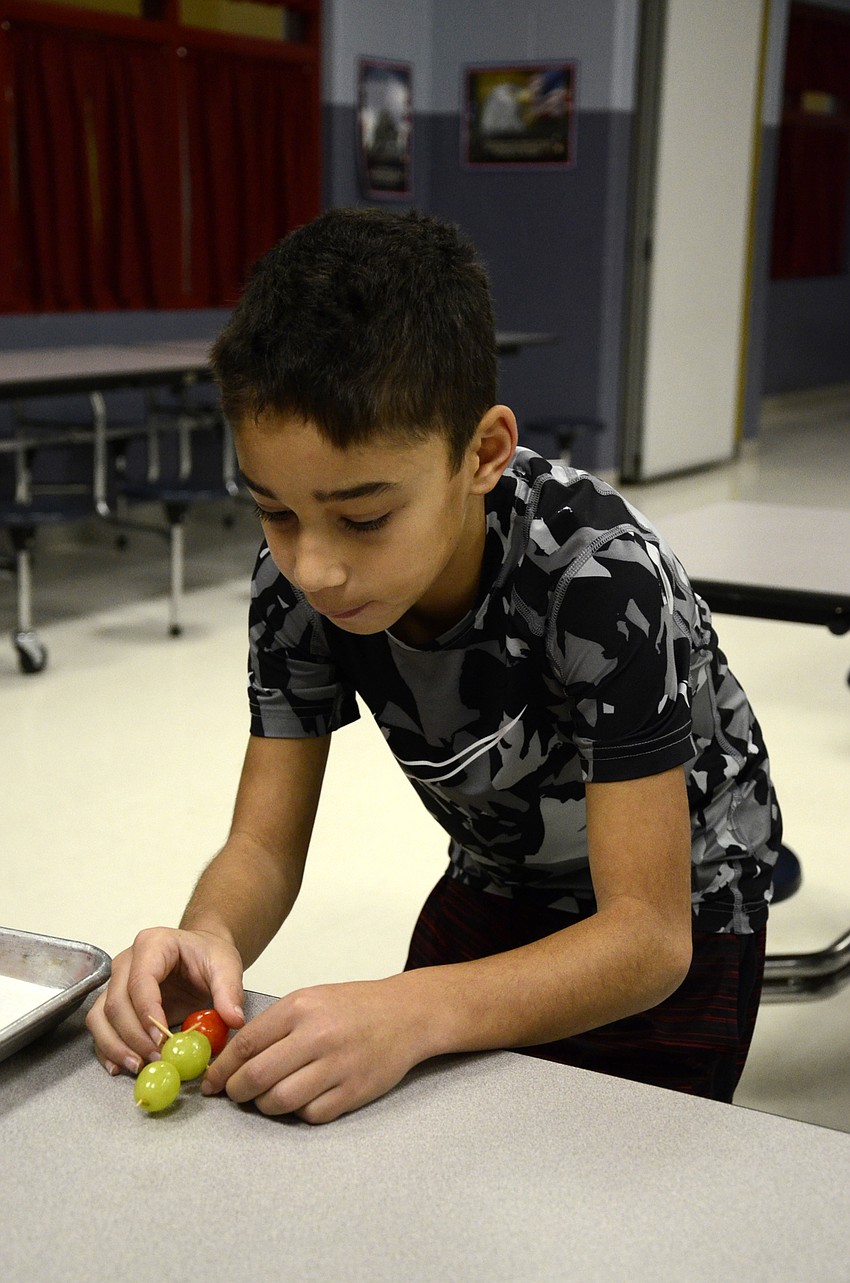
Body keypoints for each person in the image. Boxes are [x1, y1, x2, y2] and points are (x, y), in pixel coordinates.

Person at [86, 208, 782, 1123]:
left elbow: (649, 939)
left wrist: (416, 1007)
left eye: (365, 517)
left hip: (684, 903)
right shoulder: (295, 589)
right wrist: (206, 932)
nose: (315, 565)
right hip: (500, 868)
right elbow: (261, 844)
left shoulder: (599, 581)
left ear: (483, 453)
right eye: (274, 510)